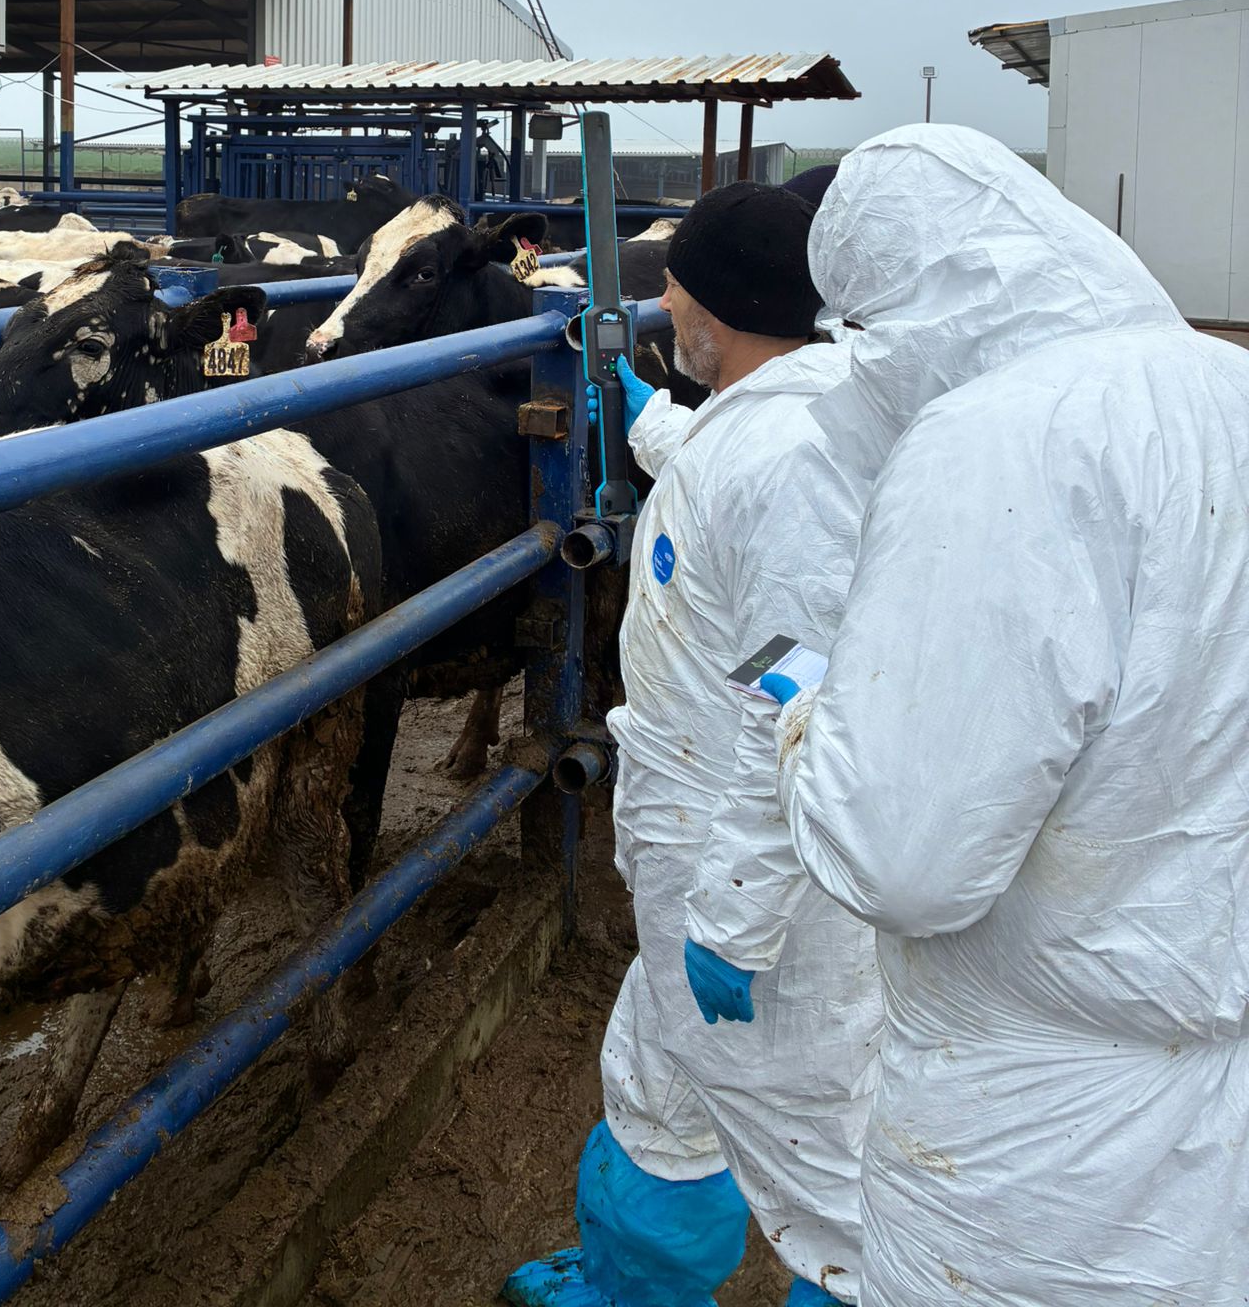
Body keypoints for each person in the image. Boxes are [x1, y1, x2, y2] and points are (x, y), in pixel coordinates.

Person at [748, 124, 1249, 1307]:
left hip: (1039, 1142)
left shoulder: (993, 439)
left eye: (859, 328)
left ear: (906, 301)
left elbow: (904, 857)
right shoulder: (1229, 383)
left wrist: (811, 722)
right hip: (1212, 1087)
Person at [504, 180, 879, 1307]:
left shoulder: (794, 465)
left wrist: (735, 910)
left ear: (723, 307)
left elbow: (810, 699)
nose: (659, 304)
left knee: (817, 1137)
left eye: (672, 285)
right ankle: (635, 1284)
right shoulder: (775, 420)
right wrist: (646, 414)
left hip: (755, 871)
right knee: (661, 1078)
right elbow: (726, 482)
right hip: (696, 848)